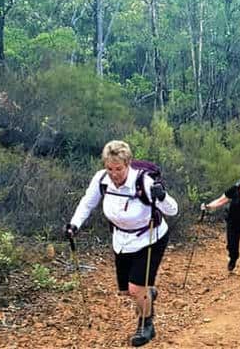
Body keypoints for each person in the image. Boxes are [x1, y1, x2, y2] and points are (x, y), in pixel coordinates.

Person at [65, 140, 178, 347]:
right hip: (121, 240)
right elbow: (87, 202)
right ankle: (148, 293)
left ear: (128, 164)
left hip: (150, 238)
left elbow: (172, 210)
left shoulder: (143, 181)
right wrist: (75, 224)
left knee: (135, 289)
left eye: (119, 169)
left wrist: (161, 196)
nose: (114, 174)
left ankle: (146, 325)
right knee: (126, 291)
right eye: (109, 168)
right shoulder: (101, 180)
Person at [201, 172, 240, 282]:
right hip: (234, 221)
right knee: (232, 244)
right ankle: (233, 258)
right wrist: (208, 206)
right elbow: (221, 200)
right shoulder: (234, 189)